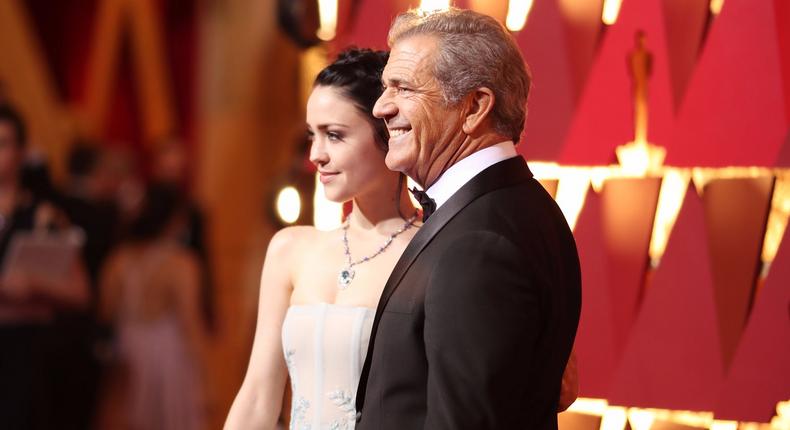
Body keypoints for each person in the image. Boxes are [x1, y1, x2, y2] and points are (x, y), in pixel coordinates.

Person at [353, 8, 582, 429]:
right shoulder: (511, 210)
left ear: (474, 106)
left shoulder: (480, 242)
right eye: (385, 88)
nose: (382, 107)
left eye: (402, 88)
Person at [225, 48, 420, 430]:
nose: (316, 154)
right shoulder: (291, 249)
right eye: (312, 135)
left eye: (334, 135)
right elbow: (258, 396)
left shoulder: (427, 251)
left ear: (387, 134)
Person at [99, 184, 209, 430]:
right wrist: (204, 380)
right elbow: (191, 323)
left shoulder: (117, 259)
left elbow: (106, 312)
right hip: (168, 356)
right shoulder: (182, 263)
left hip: (126, 351)